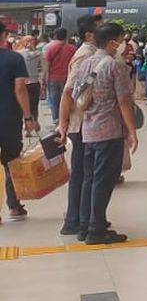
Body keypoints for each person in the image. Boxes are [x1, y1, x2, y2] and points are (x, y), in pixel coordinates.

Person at [56, 22, 137, 244]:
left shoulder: (85, 63)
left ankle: (85, 226)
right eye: (120, 41)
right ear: (112, 42)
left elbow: (72, 94)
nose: (122, 45)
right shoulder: (114, 65)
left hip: (88, 129)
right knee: (103, 180)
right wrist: (132, 131)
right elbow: (123, 101)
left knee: (89, 179)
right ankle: (96, 229)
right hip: (109, 130)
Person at [57, 15, 100, 236]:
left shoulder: (93, 54)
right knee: (82, 174)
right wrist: (63, 124)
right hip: (81, 124)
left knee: (87, 173)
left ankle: (87, 217)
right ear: (89, 35)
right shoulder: (84, 56)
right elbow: (68, 92)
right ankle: (74, 220)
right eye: (100, 29)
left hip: (87, 123)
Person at [1, 35, 39, 224]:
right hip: (8, 119)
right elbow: (20, 89)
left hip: (8, 118)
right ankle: (14, 205)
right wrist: (28, 116)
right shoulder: (14, 59)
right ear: (2, 36)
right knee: (11, 163)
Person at [43, 27, 75, 124]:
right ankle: (66, 119)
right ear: (66, 36)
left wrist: (44, 79)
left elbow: (46, 65)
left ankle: (56, 120)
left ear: (55, 36)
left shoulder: (50, 48)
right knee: (67, 99)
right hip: (68, 78)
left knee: (54, 100)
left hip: (53, 78)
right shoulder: (72, 48)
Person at [14, 34, 45, 119]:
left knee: (20, 105)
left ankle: (25, 125)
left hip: (20, 83)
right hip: (34, 82)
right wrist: (42, 82)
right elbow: (42, 69)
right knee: (34, 105)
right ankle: (34, 121)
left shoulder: (17, 54)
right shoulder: (39, 54)